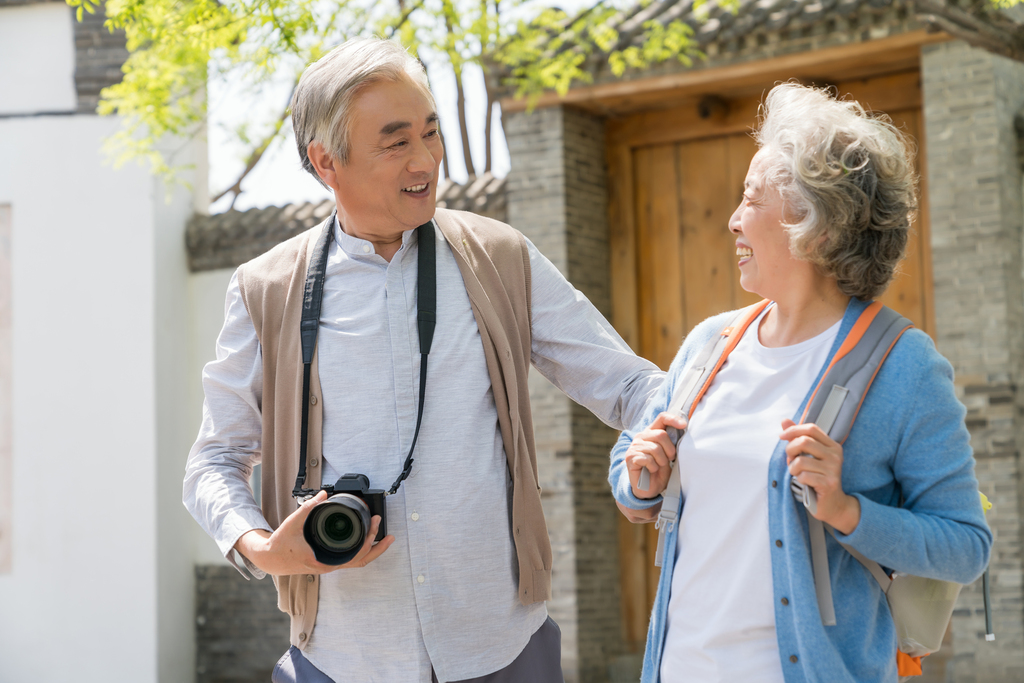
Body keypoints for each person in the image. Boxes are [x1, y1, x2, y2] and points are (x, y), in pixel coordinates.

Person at [183, 37, 664, 683]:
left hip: (503, 647)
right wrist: (266, 549)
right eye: (396, 140)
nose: (426, 160)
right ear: (327, 161)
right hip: (341, 655)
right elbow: (213, 460)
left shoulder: (500, 256)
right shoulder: (265, 288)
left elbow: (629, 384)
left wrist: (690, 421)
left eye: (430, 133)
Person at [608, 83, 992, 683]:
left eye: (751, 199)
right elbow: (631, 460)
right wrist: (640, 478)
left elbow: (965, 546)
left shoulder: (905, 366)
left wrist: (846, 511)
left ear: (815, 225)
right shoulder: (711, 343)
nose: (733, 220)